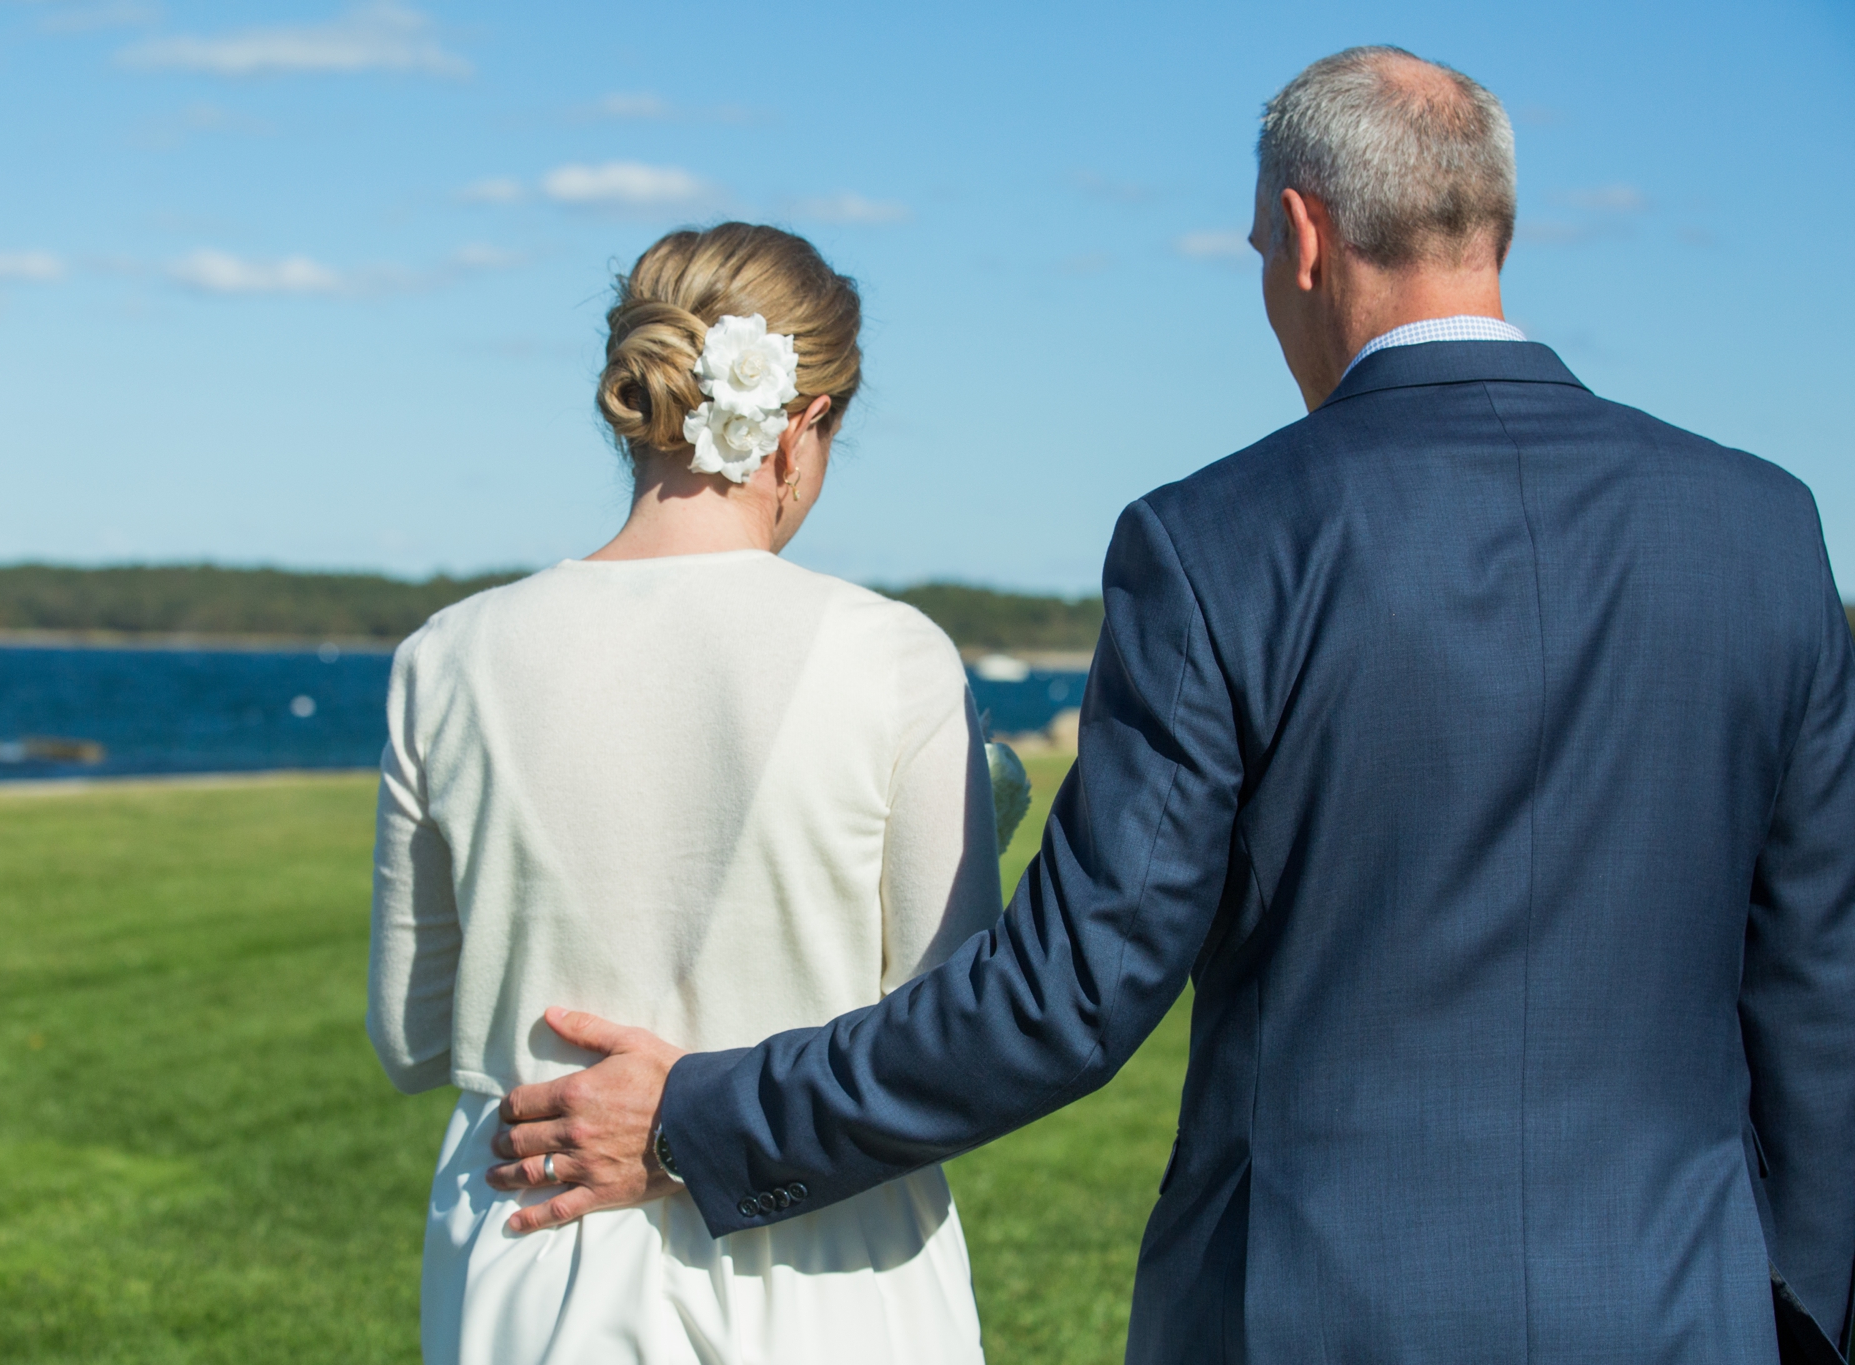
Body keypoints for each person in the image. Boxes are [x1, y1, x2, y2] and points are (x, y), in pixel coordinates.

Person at [487, 47, 1855, 1364]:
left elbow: (1064, 999)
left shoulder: (1220, 541)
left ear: (1305, 234)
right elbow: (1819, 1000)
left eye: (1261, 253)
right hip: (1685, 1310)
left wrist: (697, 1114)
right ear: (1491, 221)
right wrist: (1794, 1313)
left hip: (1308, 1317)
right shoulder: (1765, 531)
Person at [364, 223, 1003, 1364]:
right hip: (828, 1257)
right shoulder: (893, 657)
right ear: (802, 429)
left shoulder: (445, 656)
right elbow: (946, 1040)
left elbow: (412, 1036)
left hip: (534, 1236)